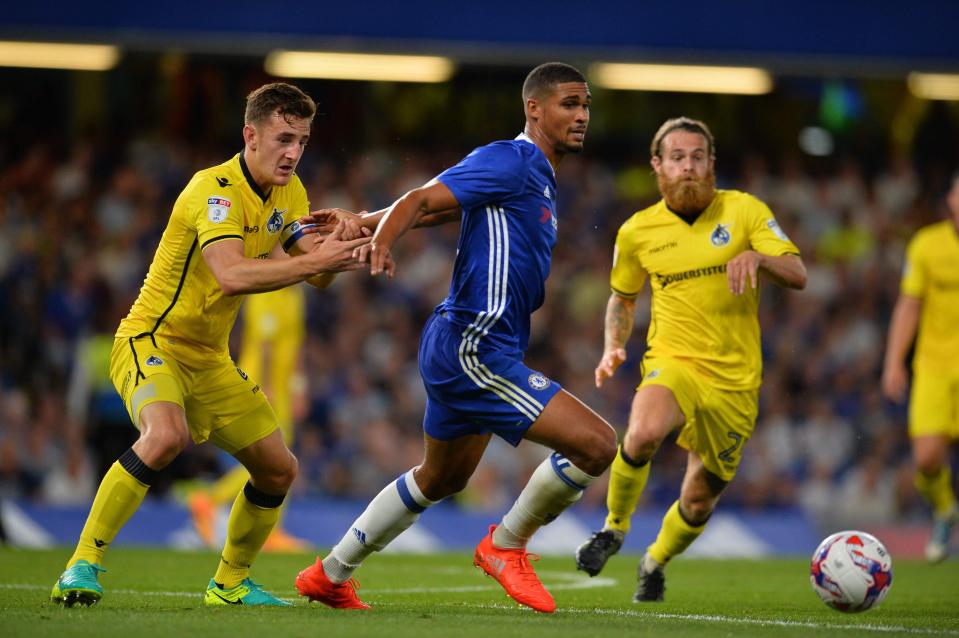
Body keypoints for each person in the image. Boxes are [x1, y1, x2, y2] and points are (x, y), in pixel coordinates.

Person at [293, 62, 617, 614]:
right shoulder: (511, 159)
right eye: (568, 104)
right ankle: (505, 545)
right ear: (533, 109)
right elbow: (418, 200)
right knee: (596, 444)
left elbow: (430, 209)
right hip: (475, 346)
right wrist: (382, 243)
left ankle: (329, 574)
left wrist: (363, 223)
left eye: (585, 105)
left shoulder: (536, 175)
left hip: (469, 343)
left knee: (439, 478)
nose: (581, 116)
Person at [50, 82, 372, 607]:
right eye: (283, 138)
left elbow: (317, 272)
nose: (293, 153)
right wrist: (318, 260)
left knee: (279, 469)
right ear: (250, 135)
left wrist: (347, 238)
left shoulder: (291, 193)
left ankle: (229, 584)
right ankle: (81, 563)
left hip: (210, 359)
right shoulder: (213, 190)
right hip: (151, 339)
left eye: (303, 142)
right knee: (165, 435)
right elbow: (230, 275)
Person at [574, 117, 807, 601]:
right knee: (641, 433)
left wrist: (759, 259)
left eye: (697, 157)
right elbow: (623, 296)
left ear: (711, 164)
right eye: (677, 158)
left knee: (698, 502)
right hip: (674, 360)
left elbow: (798, 271)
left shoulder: (744, 211)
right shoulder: (637, 231)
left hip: (735, 380)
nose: (688, 167)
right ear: (657, 166)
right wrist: (613, 344)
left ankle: (654, 559)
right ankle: (613, 529)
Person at [189, 285, 312, 552]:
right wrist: (265, 387)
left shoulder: (296, 292)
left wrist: (298, 388)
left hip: (284, 387)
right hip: (261, 383)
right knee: (274, 459)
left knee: (282, 457)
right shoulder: (266, 290)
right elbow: (264, 344)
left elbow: (298, 343)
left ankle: (271, 528)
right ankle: (211, 499)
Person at [881, 171, 959, 563]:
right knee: (927, 459)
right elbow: (909, 305)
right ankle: (946, 510)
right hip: (934, 366)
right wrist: (895, 361)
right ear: (950, 200)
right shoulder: (927, 245)